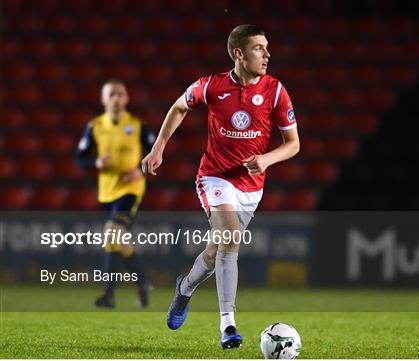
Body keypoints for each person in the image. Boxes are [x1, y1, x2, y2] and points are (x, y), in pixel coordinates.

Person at [141, 24, 300, 349]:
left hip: (251, 186)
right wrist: (158, 148)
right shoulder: (211, 86)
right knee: (231, 237)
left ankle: (184, 288)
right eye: (259, 48)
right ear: (239, 53)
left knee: (216, 252)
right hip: (214, 177)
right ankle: (228, 326)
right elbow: (179, 107)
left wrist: (267, 160)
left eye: (267, 47)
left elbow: (293, 143)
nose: (268, 54)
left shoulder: (275, 90)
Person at [76, 79, 155, 308]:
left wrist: (140, 172)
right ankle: (142, 282)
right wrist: (96, 161)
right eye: (111, 94)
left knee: (111, 233)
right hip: (107, 192)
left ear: (127, 98)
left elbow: (156, 154)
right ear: (103, 99)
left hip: (131, 190)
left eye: (120, 94)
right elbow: (79, 158)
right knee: (119, 240)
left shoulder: (139, 125)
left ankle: (108, 294)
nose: (116, 99)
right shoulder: (95, 126)